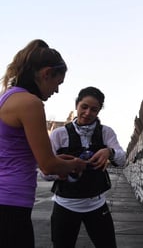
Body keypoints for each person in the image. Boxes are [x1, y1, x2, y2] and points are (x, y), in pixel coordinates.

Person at [0, 39, 88, 248]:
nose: (56, 91)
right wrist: (76, 164)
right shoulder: (30, 103)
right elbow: (48, 165)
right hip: (12, 203)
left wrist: (59, 161)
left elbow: (19, 153)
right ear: (46, 73)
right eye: (57, 83)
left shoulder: (7, 97)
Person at [48, 86, 126, 248]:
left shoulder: (106, 132)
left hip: (96, 204)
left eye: (94, 110)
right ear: (76, 105)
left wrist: (109, 152)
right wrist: (64, 169)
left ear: (98, 112)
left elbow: (122, 158)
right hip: (65, 204)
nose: (88, 113)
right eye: (84, 107)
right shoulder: (59, 134)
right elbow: (44, 171)